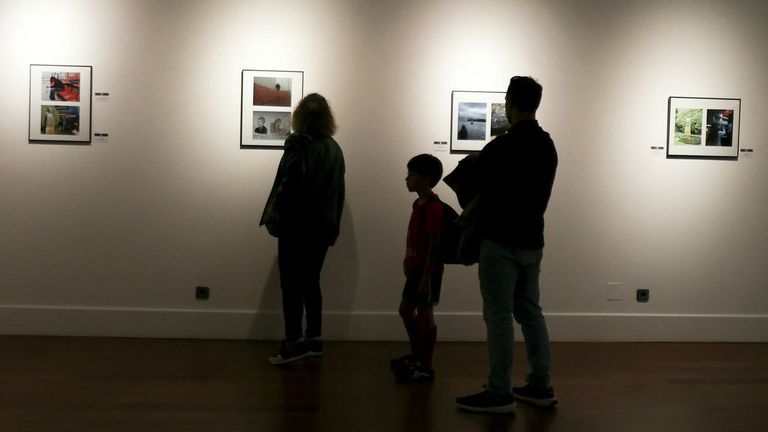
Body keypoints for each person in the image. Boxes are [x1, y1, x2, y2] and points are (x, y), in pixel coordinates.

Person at [455, 76, 558, 413]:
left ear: (510, 102)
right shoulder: (547, 145)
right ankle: (540, 384)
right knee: (530, 310)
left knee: (498, 315)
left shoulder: (502, 146)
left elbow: (475, 184)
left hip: (500, 241)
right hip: (532, 240)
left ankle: (499, 391)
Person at [259, 93, 345, 365]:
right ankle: (314, 340)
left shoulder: (298, 143)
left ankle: (293, 343)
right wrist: (334, 226)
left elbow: (291, 181)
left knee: (291, 286)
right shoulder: (334, 148)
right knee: (311, 282)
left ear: (300, 117)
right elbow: (339, 192)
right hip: (322, 227)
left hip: (296, 226)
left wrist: (275, 209)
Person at [390, 154, 445, 382]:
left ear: (426, 179)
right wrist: (408, 260)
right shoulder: (418, 204)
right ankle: (417, 356)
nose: (407, 179)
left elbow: (435, 242)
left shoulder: (434, 207)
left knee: (425, 315)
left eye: (411, 175)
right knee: (406, 310)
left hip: (427, 272)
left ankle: (426, 365)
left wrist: (425, 277)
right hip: (416, 269)